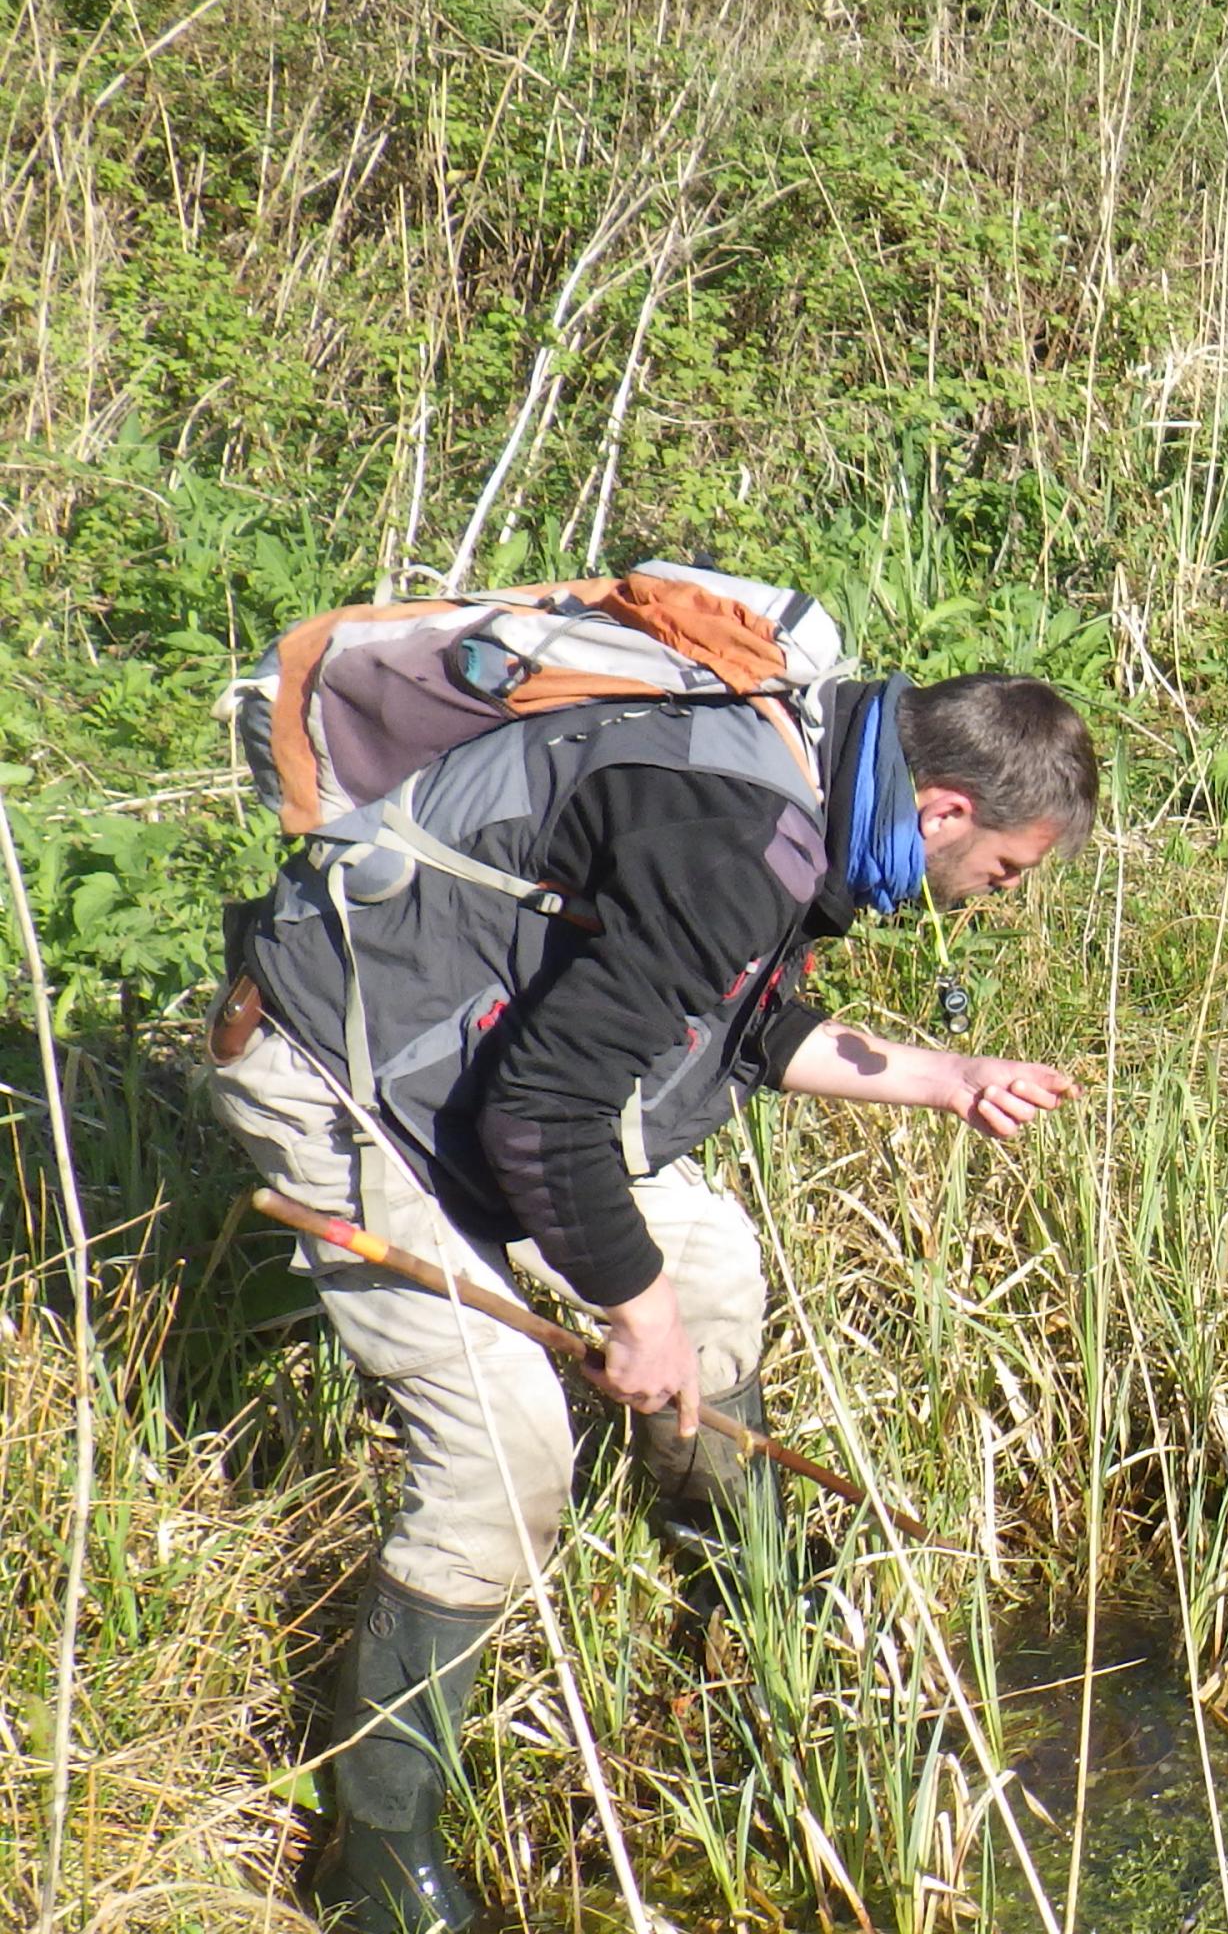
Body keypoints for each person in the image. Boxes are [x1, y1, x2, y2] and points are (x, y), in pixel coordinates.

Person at [207, 669, 1099, 1932]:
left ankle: (745, 1603)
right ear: (945, 809)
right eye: (1008, 871)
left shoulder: (805, 784)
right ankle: (379, 1858)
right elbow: (545, 1114)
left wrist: (948, 1077)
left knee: (718, 1267)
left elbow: (737, 1015)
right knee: (503, 1451)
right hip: (348, 1080)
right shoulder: (738, 825)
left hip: (467, 1063)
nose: (999, 900)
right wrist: (638, 1315)